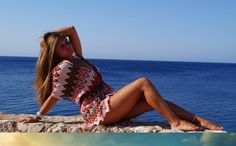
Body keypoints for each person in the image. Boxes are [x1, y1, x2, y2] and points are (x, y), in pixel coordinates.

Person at [20, 26, 224, 132]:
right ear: (54, 53)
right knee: (143, 82)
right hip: (98, 109)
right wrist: (37, 116)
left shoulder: (77, 58)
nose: (68, 44)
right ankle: (175, 123)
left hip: (111, 102)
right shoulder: (62, 69)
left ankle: (200, 121)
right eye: (62, 45)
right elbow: (54, 96)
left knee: (156, 102)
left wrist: (47, 38)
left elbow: (72, 29)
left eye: (66, 42)